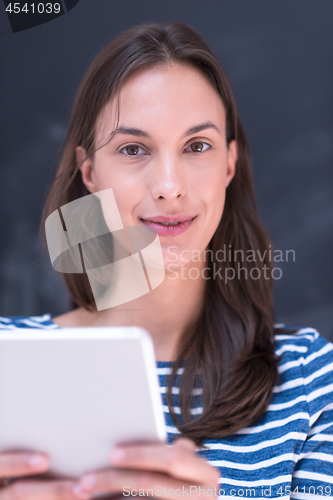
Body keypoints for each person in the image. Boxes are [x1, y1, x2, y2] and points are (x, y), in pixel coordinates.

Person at [0, 21, 332, 500]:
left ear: (228, 165)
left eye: (197, 146)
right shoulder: (9, 360)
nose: (169, 185)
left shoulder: (310, 380)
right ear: (90, 173)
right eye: (133, 149)